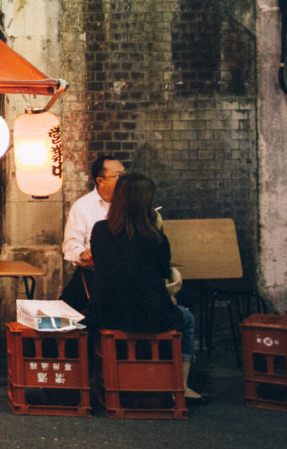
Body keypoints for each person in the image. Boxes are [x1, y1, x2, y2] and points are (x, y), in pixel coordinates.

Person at [88, 172, 209, 404]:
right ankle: (181, 385)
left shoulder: (100, 231)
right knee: (188, 318)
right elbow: (164, 272)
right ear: (147, 203)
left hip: (106, 314)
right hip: (149, 316)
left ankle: (115, 380)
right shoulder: (155, 238)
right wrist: (158, 227)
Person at [59, 154, 125, 313]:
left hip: (124, 276)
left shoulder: (130, 204)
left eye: (125, 174)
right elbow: (70, 245)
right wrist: (83, 253)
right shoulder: (83, 206)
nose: (124, 180)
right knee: (67, 309)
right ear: (100, 181)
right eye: (118, 176)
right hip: (94, 275)